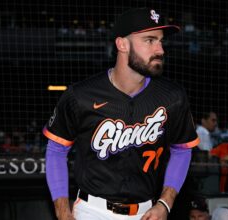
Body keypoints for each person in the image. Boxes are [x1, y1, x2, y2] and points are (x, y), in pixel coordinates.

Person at [43, 8, 200, 220]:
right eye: (149, 40)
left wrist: (165, 203)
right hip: (92, 211)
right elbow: (56, 149)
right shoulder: (81, 95)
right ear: (122, 44)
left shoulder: (172, 96)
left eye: (161, 41)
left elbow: (182, 150)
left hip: (147, 212)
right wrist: (62, 211)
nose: (160, 49)